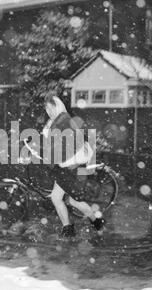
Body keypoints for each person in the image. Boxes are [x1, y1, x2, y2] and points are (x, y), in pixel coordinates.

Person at [41, 93, 106, 238]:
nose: (48, 112)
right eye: (46, 109)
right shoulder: (57, 121)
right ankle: (68, 229)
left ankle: (96, 222)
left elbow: (68, 146)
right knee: (57, 198)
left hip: (72, 168)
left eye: (50, 108)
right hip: (65, 167)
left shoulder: (63, 121)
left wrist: (52, 158)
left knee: (74, 201)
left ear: (56, 106)